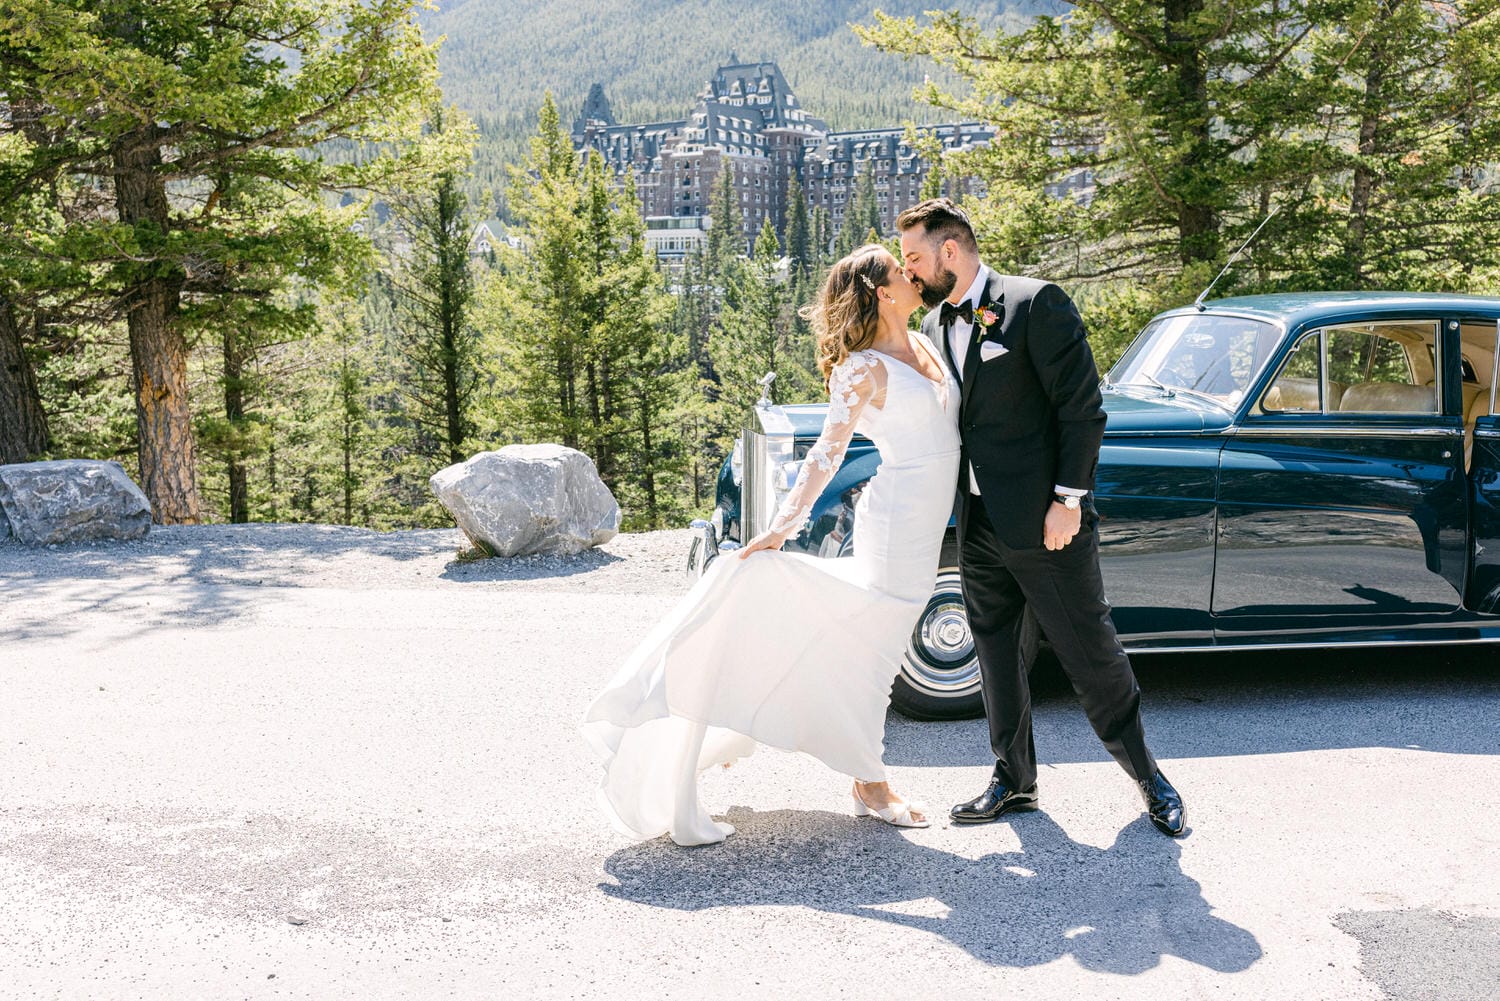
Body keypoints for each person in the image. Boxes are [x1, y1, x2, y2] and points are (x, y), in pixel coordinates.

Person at [582, 245, 961, 846]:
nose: (914, 274)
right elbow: (826, 453)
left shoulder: (928, 344)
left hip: (932, 511)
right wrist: (782, 525)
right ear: (883, 291)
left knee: (874, 641)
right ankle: (870, 780)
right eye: (900, 269)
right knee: (882, 647)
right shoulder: (862, 367)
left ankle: (853, 764)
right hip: (898, 515)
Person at [896, 198, 1186, 837]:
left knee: (1089, 651)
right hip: (976, 521)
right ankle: (1014, 778)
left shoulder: (1035, 303)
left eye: (914, 257)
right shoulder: (939, 322)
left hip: (1046, 522)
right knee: (996, 653)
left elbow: (1082, 410)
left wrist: (1068, 501)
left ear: (951, 250)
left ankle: (1148, 777)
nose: (908, 270)